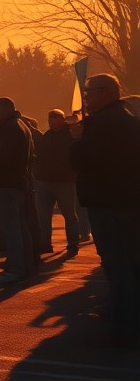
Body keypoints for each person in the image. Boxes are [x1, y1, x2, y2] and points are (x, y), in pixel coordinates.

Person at [72, 73, 140, 347]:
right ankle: (125, 315)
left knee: (117, 264)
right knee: (132, 262)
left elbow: (85, 161)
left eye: (89, 92)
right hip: (129, 200)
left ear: (106, 92)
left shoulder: (100, 123)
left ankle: (125, 324)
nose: (86, 98)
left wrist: (76, 140)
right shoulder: (130, 119)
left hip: (108, 201)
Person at [0, 97, 37, 284]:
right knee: (20, 227)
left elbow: (5, 159)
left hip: (7, 183)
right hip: (15, 182)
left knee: (12, 228)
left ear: (6, 109)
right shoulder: (18, 125)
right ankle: (22, 264)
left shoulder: (11, 128)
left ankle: (16, 268)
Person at [34, 109, 79, 257]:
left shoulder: (70, 135)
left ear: (62, 119)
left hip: (63, 181)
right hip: (45, 180)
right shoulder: (47, 135)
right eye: (49, 119)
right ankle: (45, 243)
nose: (51, 122)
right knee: (43, 215)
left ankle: (73, 243)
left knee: (69, 214)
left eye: (54, 119)